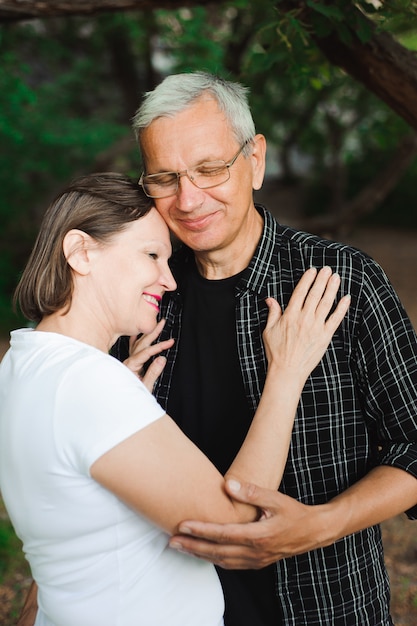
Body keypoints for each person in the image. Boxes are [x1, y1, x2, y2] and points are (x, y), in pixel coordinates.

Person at [114, 72, 417, 625]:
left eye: (209, 169)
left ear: (255, 160)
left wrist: (321, 524)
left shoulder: (343, 281)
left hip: (326, 608)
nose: (188, 199)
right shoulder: (138, 295)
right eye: (164, 178)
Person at [0, 172, 349, 626]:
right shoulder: (88, 385)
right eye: (151, 255)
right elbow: (233, 523)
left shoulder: (21, 364)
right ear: (80, 253)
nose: (169, 279)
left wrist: (121, 410)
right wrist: (286, 373)